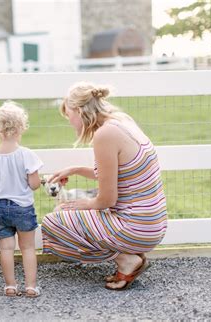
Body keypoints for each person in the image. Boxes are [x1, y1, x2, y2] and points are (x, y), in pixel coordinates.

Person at [41, 82, 167, 291]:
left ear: (80, 111)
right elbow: (119, 173)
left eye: (69, 116)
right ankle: (130, 254)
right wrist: (76, 169)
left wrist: (81, 205)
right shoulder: (122, 121)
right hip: (154, 224)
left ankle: (126, 259)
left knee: (54, 222)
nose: (71, 123)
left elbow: (107, 200)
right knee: (66, 213)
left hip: (137, 227)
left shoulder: (104, 135)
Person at [0, 102, 43, 297]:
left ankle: (10, 286)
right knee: (28, 247)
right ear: (21, 127)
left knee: (6, 248)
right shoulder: (26, 155)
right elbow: (34, 184)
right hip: (22, 207)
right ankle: (31, 286)